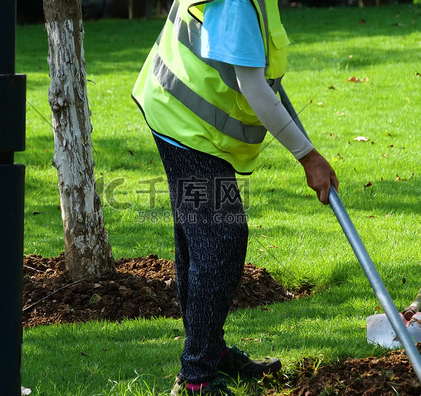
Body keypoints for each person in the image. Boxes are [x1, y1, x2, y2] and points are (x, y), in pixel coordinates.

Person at [132, 0, 339, 394]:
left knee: (202, 242)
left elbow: (264, 79)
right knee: (221, 242)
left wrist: (306, 149)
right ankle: (197, 377)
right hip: (185, 122)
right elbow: (254, 87)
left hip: (179, 110)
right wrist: (307, 156)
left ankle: (208, 353)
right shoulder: (238, 3)